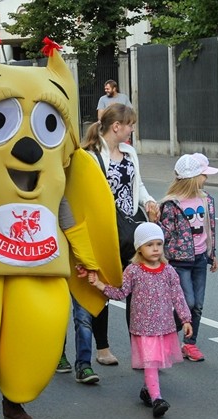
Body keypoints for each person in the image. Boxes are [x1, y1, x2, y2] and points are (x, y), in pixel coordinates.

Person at [65, 103, 158, 381]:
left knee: (136, 289)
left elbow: (136, 185)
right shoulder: (90, 157)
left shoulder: (129, 153)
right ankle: (102, 348)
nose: (132, 129)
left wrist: (149, 200)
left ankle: (140, 349)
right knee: (101, 289)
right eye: (130, 124)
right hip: (102, 231)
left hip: (130, 229)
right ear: (116, 126)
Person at [86, 222, 192, 418]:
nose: (155, 249)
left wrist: (186, 319)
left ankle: (147, 390)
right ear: (139, 248)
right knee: (151, 362)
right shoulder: (133, 271)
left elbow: (178, 295)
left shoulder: (168, 271)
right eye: (150, 244)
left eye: (159, 244)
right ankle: (157, 398)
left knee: (156, 361)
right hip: (143, 327)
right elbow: (121, 293)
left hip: (163, 325)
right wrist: (100, 285)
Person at [158, 153, 218, 362]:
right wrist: (162, 260)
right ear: (193, 178)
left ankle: (190, 344)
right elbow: (164, 234)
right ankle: (165, 335)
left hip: (201, 259)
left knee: (198, 304)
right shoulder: (171, 204)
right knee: (189, 302)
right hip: (179, 262)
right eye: (203, 175)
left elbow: (209, 229)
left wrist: (212, 254)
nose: (206, 179)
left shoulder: (206, 199)